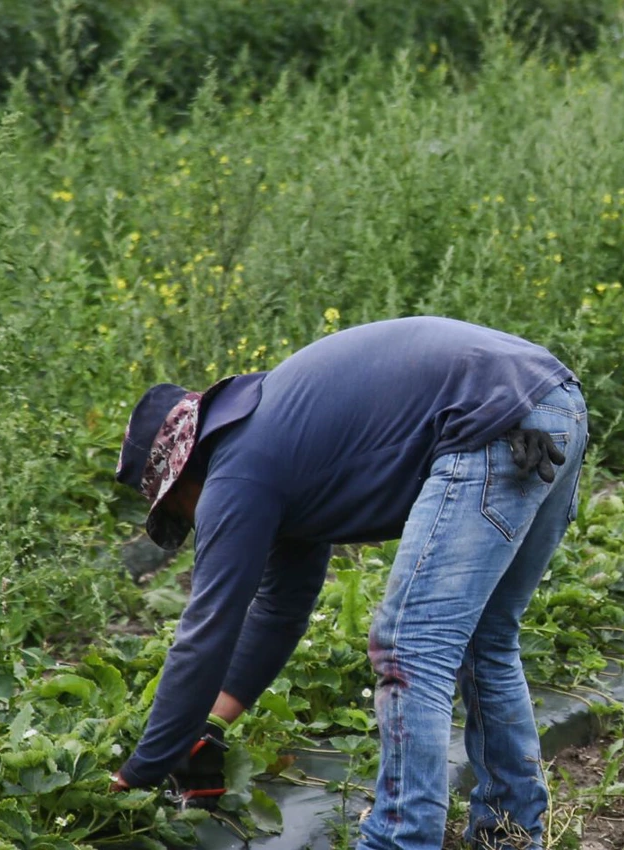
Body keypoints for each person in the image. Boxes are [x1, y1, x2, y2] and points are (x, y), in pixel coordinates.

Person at [107, 316, 586, 850]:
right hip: (549, 404)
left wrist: (141, 769)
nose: (196, 523)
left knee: (410, 644)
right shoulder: (280, 445)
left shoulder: (238, 471)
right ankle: (509, 833)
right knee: (486, 639)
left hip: (495, 424)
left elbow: (207, 630)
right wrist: (206, 726)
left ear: (181, 475)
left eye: (179, 511)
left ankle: (399, 842)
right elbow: (279, 613)